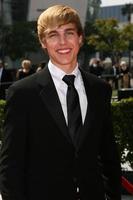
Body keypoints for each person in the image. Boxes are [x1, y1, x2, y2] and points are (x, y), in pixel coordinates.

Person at [0, 4, 121, 200]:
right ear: (43, 42)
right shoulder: (22, 94)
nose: (62, 42)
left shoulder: (100, 89)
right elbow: (11, 165)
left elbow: (108, 154)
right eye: (53, 35)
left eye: (69, 33)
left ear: (80, 38)